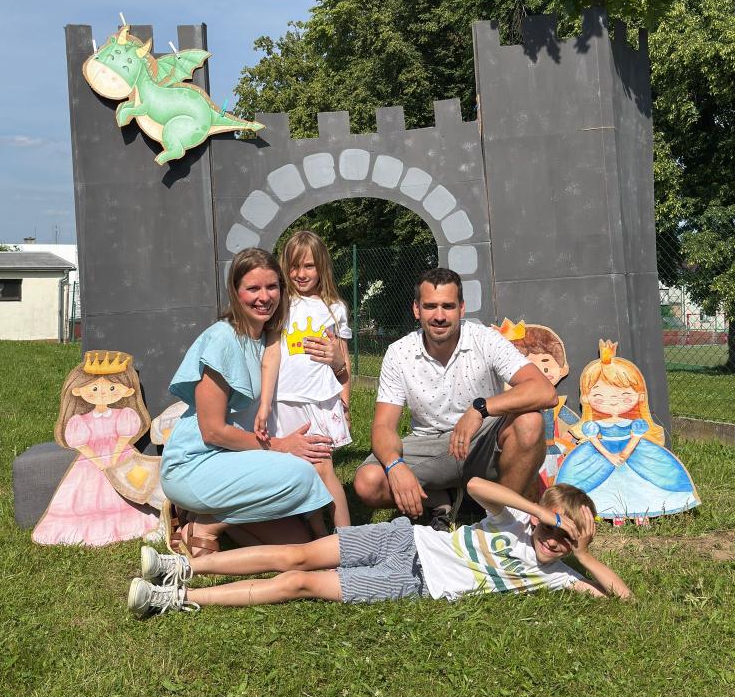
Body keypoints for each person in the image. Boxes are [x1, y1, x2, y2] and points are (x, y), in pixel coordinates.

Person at [127, 478, 632, 617]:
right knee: (297, 554)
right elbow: (478, 485)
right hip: (403, 536)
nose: (554, 540)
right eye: (554, 529)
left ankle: (175, 597)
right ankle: (184, 566)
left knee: (301, 583)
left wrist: (581, 552)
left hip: (414, 582)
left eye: (566, 539)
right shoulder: (515, 523)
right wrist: (542, 512)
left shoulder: (556, 574)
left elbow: (622, 599)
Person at [159, 248, 334, 554]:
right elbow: (212, 431)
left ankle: (200, 519)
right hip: (195, 463)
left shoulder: (268, 339)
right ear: (235, 291)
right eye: (253, 288)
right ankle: (207, 525)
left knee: (298, 541)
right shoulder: (222, 339)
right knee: (300, 474)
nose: (264, 297)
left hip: (237, 460)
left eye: (272, 287)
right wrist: (281, 446)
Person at [353, 268, 558, 527]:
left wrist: (480, 409)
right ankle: (440, 496)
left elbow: (545, 391)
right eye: (430, 306)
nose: (439, 316)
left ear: (461, 308)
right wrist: (395, 466)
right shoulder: (399, 353)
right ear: (417, 309)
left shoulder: (485, 339)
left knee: (530, 422)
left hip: (482, 441)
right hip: (428, 443)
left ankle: (501, 520)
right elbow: (383, 426)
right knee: (368, 482)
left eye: (448, 306)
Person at [255, 230, 353, 527]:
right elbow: (271, 353)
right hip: (284, 400)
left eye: (308, 266)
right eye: (294, 266)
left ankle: (348, 539)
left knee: (323, 469)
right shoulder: (280, 304)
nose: (300, 274)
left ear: (321, 266)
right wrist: (265, 404)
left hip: (319, 401)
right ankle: (320, 534)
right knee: (298, 471)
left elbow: (343, 359)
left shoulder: (335, 307)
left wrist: (345, 402)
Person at [557, 340, 700, 522]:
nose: (613, 400)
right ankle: (610, 510)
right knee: (597, 481)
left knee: (646, 479)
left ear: (639, 395)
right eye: (599, 395)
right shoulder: (593, 426)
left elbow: (635, 439)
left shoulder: (636, 424)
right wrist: (611, 457)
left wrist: (623, 455)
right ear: (586, 397)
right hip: (602, 454)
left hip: (635, 453)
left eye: (624, 395)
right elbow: (594, 441)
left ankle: (641, 510)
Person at [33, 351, 159, 546]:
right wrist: (99, 463)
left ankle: (127, 524)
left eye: (112, 388)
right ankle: (86, 529)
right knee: (86, 495)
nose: (102, 393)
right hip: (90, 464)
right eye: (93, 388)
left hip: (121, 457)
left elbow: (124, 438)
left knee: (127, 488)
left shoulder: (124, 415)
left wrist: (115, 457)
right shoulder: (79, 421)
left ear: (127, 391)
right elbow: (81, 445)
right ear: (78, 390)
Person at [499, 319, 580, 486]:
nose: (541, 370)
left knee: (552, 483)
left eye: (545, 362)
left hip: (552, 453)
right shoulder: (511, 405)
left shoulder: (555, 406)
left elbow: (576, 425)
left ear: (563, 368)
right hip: (522, 456)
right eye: (530, 365)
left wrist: (568, 438)